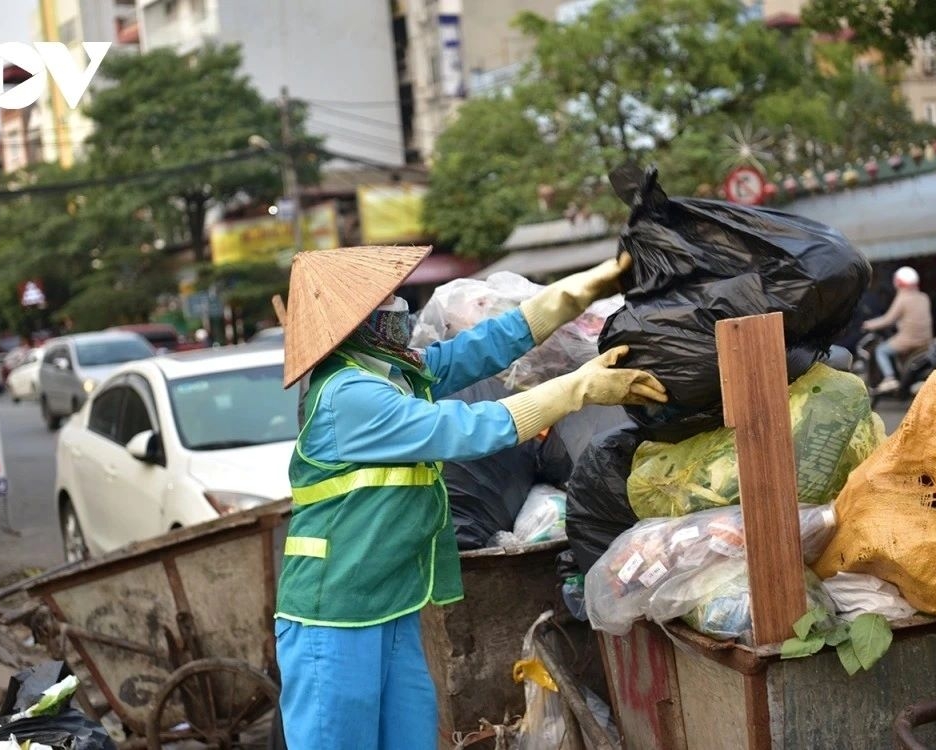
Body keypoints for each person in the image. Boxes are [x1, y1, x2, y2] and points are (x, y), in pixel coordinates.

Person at [274, 246, 666, 750]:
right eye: (387, 298)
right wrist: (579, 388)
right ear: (358, 322)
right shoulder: (350, 395)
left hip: (389, 605)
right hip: (333, 618)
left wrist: (580, 290)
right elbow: (471, 428)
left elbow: (483, 347)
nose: (399, 306)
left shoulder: (394, 374)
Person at [861, 266, 933, 393]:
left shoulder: (903, 298)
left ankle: (890, 378)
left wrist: (868, 324)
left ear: (898, 282)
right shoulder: (923, 297)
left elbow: (888, 320)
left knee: (881, 350)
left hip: (908, 340)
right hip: (926, 341)